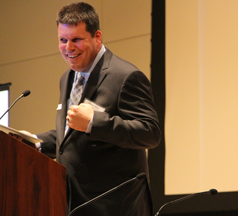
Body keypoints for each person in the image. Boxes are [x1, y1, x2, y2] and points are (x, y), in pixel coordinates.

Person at [35, 2, 161, 216]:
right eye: (63, 40)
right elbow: (71, 135)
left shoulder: (125, 76)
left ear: (97, 37)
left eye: (76, 39)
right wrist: (33, 143)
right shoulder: (67, 78)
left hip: (115, 206)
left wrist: (95, 123)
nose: (68, 47)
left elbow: (150, 133)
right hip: (75, 204)